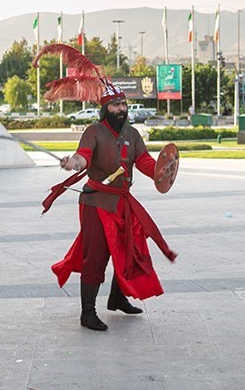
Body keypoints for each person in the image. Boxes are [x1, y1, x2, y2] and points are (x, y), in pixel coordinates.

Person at [49, 83, 178, 331]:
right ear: (105, 108)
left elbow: (144, 161)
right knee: (95, 257)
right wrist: (73, 162)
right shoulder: (94, 131)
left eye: (123, 104)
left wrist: (162, 170)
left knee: (128, 250)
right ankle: (87, 313)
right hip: (96, 202)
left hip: (122, 202)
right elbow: (83, 155)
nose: (121, 109)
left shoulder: (132, 134)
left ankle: (117, 298)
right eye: (115, 105)